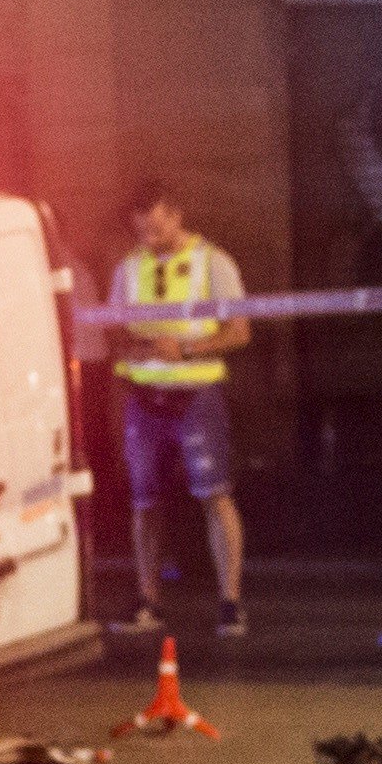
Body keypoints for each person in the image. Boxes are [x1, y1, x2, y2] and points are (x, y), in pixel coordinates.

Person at [108, 183, 249, 641]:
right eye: (140, 228)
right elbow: (111, 329)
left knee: (215, 495)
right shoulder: (128, 269)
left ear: (177, 215)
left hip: (196, 396)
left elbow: (239, 331)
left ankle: (230, 603)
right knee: (144, 503)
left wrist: (186, 349)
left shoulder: (215, 262)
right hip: (144, 399)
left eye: (155, 225)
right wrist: (144, 347)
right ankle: (149, 601)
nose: (148, 235)